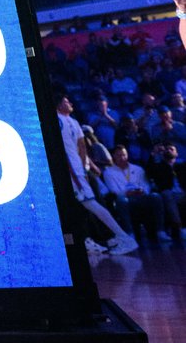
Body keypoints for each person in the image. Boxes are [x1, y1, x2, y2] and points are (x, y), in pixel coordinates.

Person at [55, 95, 138, 253]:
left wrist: (78, 170)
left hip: (72, 171)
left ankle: (122, 237)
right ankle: (86, 240)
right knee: (76, 206)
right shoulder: (69, 121)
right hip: (75, 170)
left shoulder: (69, 121)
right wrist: (83, 168)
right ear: (59, 105)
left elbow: (81, 148)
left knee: (90, 204)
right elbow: (81, 148)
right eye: (66, 101)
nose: (71, 103)